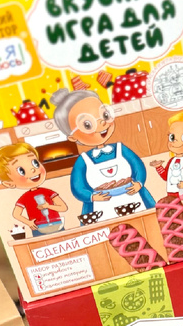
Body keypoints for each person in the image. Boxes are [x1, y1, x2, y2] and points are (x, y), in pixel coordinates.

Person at [50, 88, 155, 225]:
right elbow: (77, 187)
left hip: (135, 199)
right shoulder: (83, 161)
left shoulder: (121, 149)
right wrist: (92, 197)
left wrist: (139, 183)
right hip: (102, 209)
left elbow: (138, 166)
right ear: (73, 137)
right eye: (87, 124)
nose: (102, 123)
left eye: (104, 115)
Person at [0, 142, 67, 237]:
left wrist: (48, 206)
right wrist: (29, 222)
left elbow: (63, 207)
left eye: (35, 163)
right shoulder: (25, 197)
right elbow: (16, 214)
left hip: (57, 224)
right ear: (9, 183)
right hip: (39, 228)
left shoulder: (48, 192)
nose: (33, 170)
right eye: (21, 171)